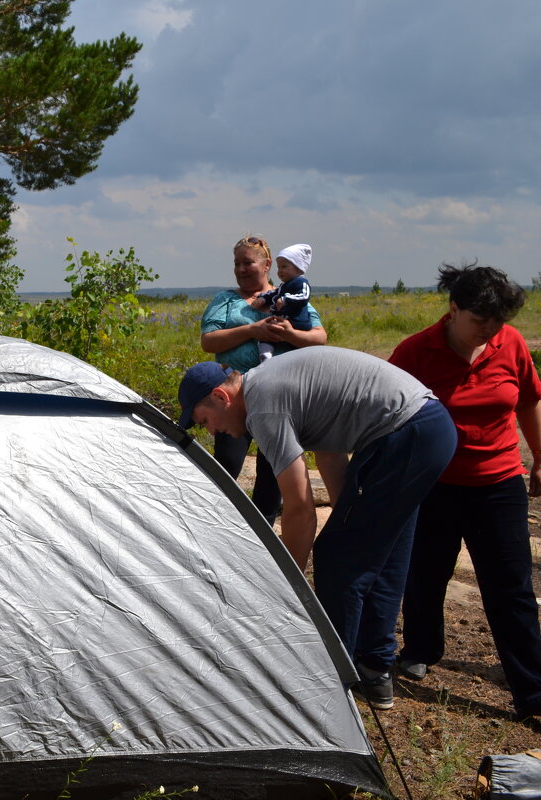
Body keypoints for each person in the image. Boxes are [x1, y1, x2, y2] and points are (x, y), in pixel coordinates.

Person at [178, 347, 457, 710]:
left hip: (406, 432)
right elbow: (331, 449)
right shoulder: (272, 387)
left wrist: (289, 585)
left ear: (220, 396)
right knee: (381, 555)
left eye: (204, 420)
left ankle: (329, 681)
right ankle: (374, 670)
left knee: (336, 556)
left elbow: (298, 509)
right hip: (426, 428)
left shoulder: (263, 405)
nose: (212, 431)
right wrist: (349, 517)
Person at [388, 264, 541, 721]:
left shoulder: (509, 344)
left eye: (498, 324)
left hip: (499, 482)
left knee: (511, 586)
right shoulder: (415, 353)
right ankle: (420, 649)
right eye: (480, 322)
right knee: (426, 573)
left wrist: (539, 455)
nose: (490, 332)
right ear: (453, 310)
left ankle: (532, 692)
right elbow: (386, 415)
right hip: (435, 484)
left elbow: (530, 398)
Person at [199, 235, 327, 524]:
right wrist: (252, 331)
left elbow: (319, 337)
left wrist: (289, 334)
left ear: (267, 264)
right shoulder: (226, 300)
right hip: (234, 400)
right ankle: (219, 524)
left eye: (248, 262)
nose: (241, 269)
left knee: (272, 471)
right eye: (237, 263)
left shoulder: (290, 297)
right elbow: (209, 341)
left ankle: (264, 531)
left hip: (279, 398)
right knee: (227, 464)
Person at [255, 244, 313, 362]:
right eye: (279, 267)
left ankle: (300, 361)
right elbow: (274, 293)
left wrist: (286, 300)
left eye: (284, 267)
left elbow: (304, 296)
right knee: (266, 333)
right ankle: (265, 355)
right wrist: (263, 298)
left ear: (298, 268)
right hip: (285, 320)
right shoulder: (284, 285)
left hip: (298, 322)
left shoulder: (301, 282)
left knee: (295, 345)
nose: (280, 271)